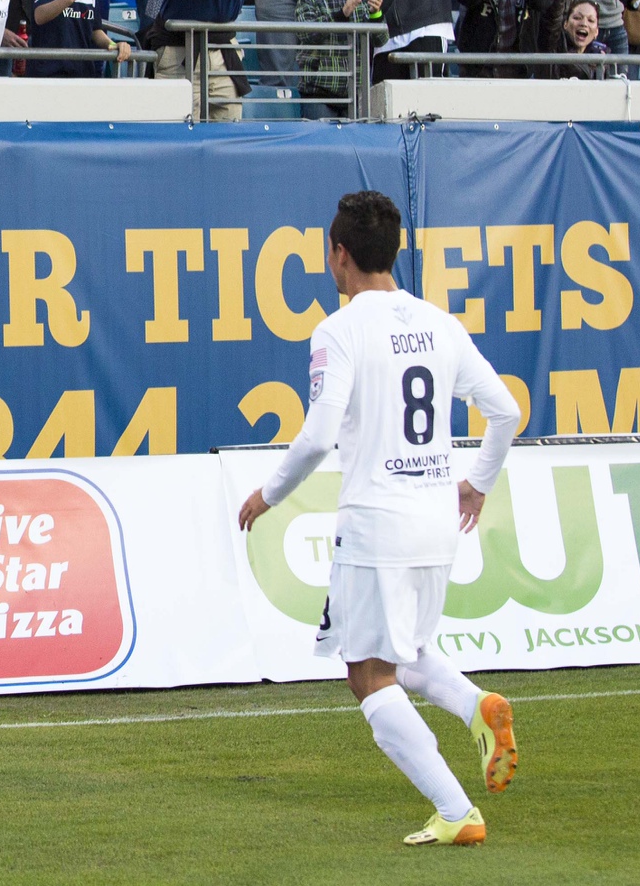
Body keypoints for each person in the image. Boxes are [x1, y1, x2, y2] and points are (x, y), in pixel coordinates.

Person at [237, 190, 521, 848]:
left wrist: (269, 494)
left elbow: (316, 436)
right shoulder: (439, 324)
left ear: (339, 256)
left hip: (376, 522)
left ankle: (455, 811)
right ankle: (475, 705)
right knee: (408, 650)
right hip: (436, 523)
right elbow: (505, 409)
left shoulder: (339, 330)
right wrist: (477, 483)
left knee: (367, 673)